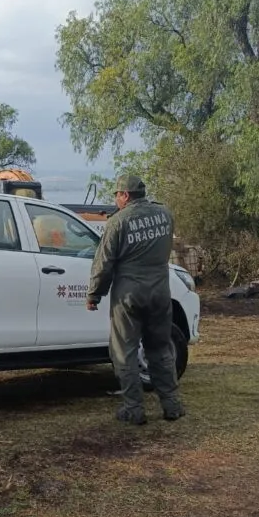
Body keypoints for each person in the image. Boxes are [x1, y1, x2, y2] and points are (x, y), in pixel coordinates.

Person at [85, 174, 184, 425]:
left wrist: (94, 294)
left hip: (129, 296)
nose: (116, 199)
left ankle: (134, 408)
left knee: (124, 352)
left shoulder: (118, 222)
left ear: (125, 195)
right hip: (160, 292)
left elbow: (104, 263)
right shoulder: (165, 215)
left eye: (117, 194)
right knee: (160, 349)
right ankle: (171, 405)